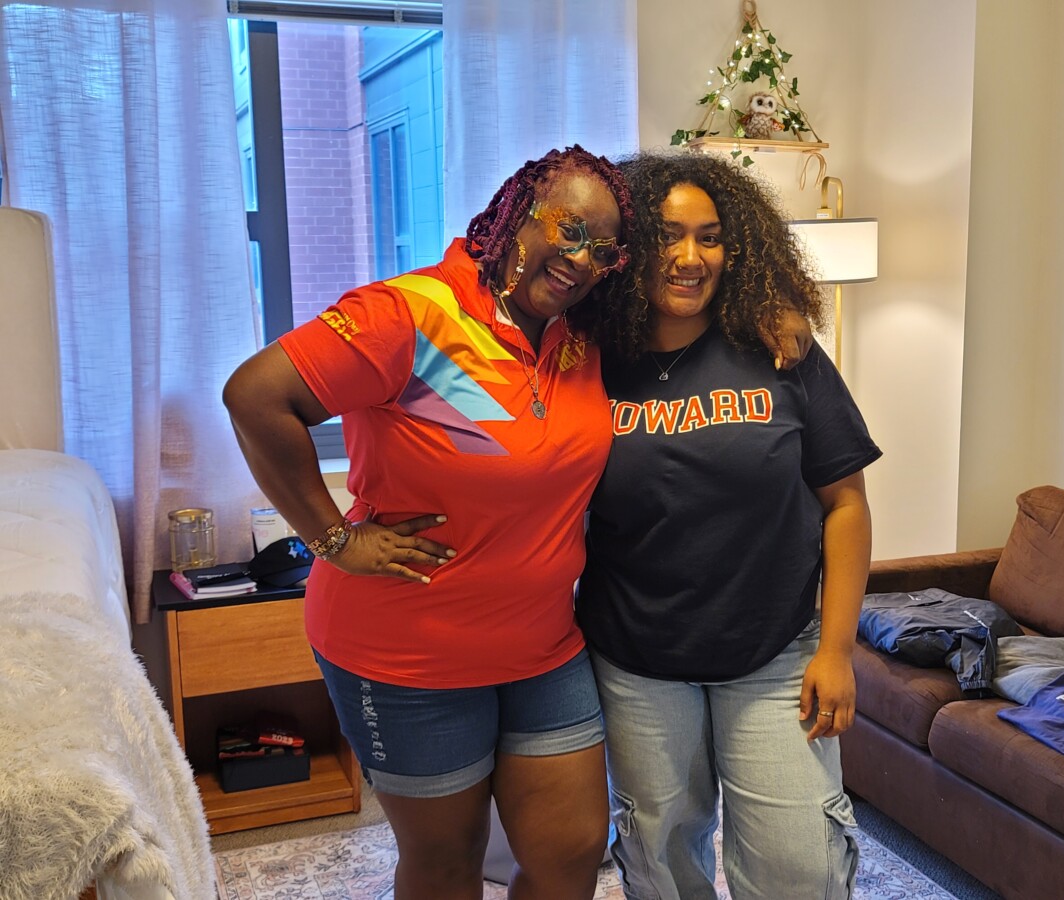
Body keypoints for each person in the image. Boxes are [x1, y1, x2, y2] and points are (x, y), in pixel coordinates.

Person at [223, 144, 812, 900]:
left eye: (602, 249)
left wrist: (773, 304)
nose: (579, 258)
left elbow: (686, 312)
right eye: (567, 229)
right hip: (408, 656)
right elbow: (255, 396)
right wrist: (332, 537)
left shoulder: (586, 333)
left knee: (569, 855)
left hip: (542, 645)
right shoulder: (411, 316)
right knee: (446, 865)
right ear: (515, 212)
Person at [576, 150, 882, 900]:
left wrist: (837, 649)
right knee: (661, 856)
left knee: (799, 868)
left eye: (710, 237)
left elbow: (846, 504)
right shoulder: (586, 358)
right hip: (638, 659)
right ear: (630, 248)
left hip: (774, 653)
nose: (690, 257)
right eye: (668, 236)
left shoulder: (779, 349)